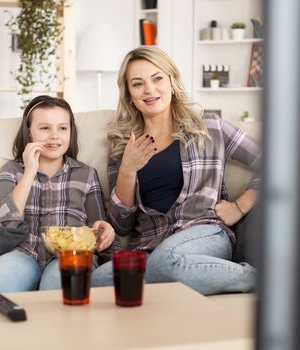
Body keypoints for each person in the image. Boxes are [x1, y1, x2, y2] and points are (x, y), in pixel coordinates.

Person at [91, 46, 260, 295]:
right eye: (138, 84)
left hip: (204, 232)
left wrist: (239, 206)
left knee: (165, 263)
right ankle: (180, 279)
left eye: (157, 78)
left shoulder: (209, 126)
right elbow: (121, 224)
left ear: (172, 82)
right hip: (150, 246)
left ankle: (254, 278)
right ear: (129, 94)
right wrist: (127, 169)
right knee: (98, 281)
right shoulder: (122, 143)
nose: (149, 90)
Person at [0, 95, 115, 293]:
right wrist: (29, 172)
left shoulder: (86, 174)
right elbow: (0, 224)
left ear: (71, 132)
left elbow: (97, 229)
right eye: (44, 128)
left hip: (71, 254)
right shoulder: (12, 170)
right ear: (30, 133)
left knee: (60, 288)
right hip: (23, 253)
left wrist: (103, 231)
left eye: (62, 128)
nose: (54, 136)